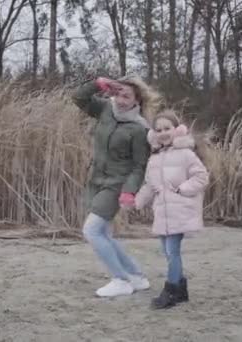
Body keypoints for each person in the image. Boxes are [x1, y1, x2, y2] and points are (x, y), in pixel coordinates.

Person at [72, 75, 160, 297]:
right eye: (118, 94)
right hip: (96, 181)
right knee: (104, 233)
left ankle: (120, 280)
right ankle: (136, 277)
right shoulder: (105, 109)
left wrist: (129, 190)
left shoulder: (140, 129)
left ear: (136, 101)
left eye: (127, 96)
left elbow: (140, 165)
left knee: (91, 230)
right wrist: (97, 84)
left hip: (116, 185)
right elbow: (78, 98)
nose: (121, 100)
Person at [134, 110, 209, 309]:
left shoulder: (186, 154)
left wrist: (181, 189)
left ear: (177, 130)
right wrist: (137, 201)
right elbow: (150, 185)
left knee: (172, 251)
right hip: (163, 213)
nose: (163, 133)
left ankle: (170, 292)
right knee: (168, 253)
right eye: (158, 130)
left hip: (181, 210)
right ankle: (181, 290)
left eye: (167, 128)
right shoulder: (155, 158)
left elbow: (201, 177)